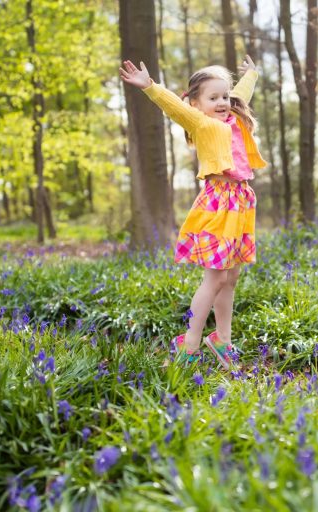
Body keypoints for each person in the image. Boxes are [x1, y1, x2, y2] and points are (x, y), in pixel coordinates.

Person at [119, 55, 267, 370]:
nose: (223, 102)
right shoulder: (201, 122)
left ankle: (222, 340)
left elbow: (242, 94)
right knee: (214, 278)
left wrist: (252, 73)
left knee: (231, 277)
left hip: (240, 203)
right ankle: (189, 344)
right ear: (197, 105)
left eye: (224, 96)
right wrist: (150, 87)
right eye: (213, 98)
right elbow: (175, 107)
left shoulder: (234, 119)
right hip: (218, 204)